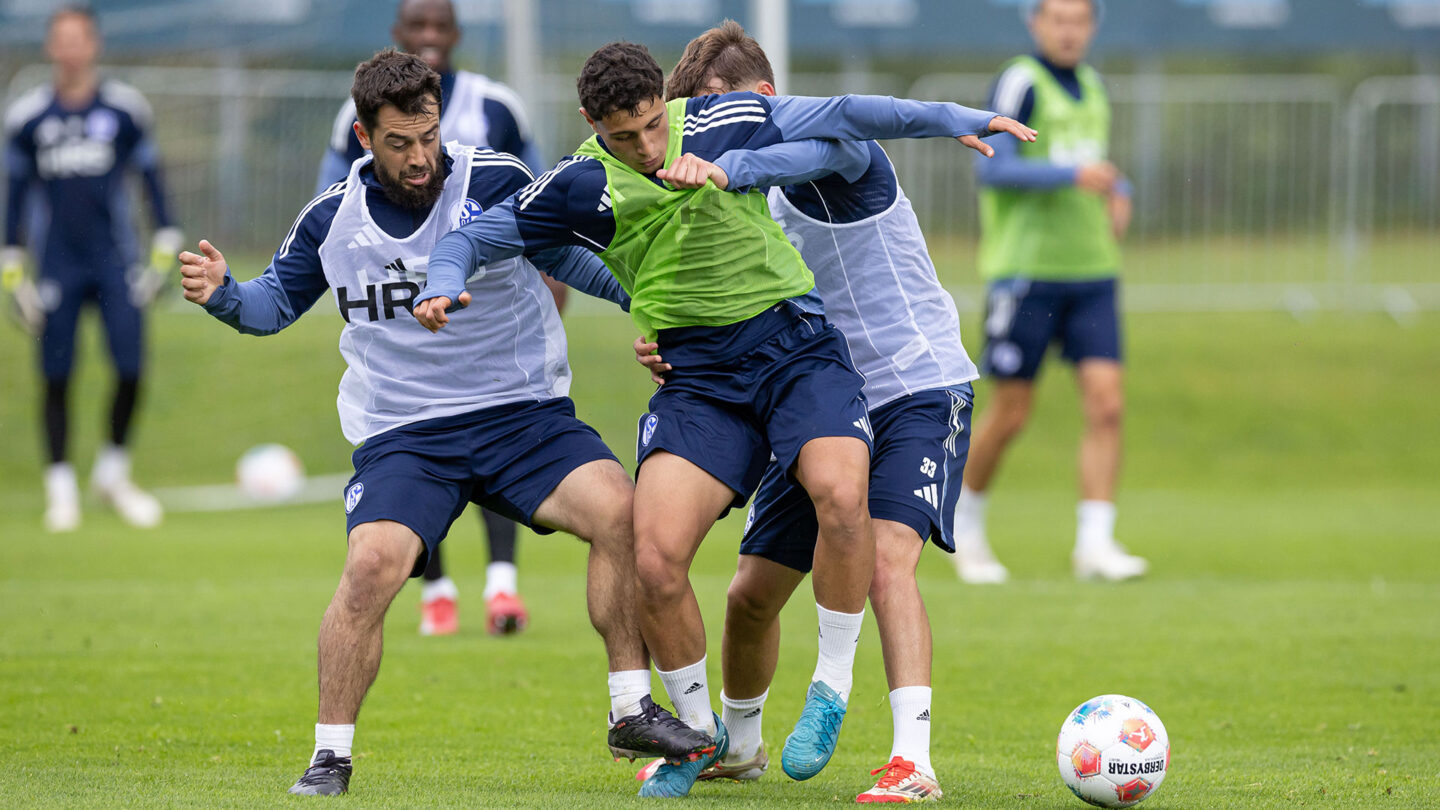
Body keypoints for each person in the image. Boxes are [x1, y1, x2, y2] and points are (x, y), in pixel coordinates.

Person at [411, 41, 1033, 798]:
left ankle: (893, 744)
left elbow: (839, 130)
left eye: (669, 122)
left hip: (904, 382)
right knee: (724, 584)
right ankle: (717, 744)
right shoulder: (625, 175)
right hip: (742, 387)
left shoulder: (796, 154)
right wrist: (639, 307)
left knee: (880, 549)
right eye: (632, 132)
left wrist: (950, 119)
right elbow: (549, 239)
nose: (656, 145)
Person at [179, 49, 709, 796]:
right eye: (399, 143)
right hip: (406, 434)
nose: (420, 156)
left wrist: (653, 311)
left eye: (427, 136)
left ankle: (630, 709)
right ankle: (330, 756)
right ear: (365, 138)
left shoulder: (493, 179)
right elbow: (271, 306)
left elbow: (574, 259)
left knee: (619, 510)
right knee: (369, 569)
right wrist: (223, 295)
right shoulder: (332, 219)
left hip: (522, 415)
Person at [629, 21, 990, 802]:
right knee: (749, 594)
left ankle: (912, 762)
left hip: (917, 386)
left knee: (886, 560)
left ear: (761, 97)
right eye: (692, 119)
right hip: (820, 397)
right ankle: (740, 745)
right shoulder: (734, 194)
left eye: (714, 112)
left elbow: (813, 150)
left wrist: (733, 167)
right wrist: (666, 341)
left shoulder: (837, 154)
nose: (702, 136)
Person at [316, 0, 553, 638]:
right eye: (415, 28)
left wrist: (556, 281)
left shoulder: (497, 106)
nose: (427, 37)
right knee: (420, 447)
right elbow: (332, 207)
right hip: (402, 318)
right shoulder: (354, 114)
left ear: (454, 35)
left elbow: (542, 202)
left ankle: (502, 586)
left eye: (437, 27)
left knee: (495, 428)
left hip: (489, 311)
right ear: (398, 35)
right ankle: (439, 589)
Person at [954, 0, 1147, 585]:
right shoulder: (1021, 81)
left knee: (1107, 405)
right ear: (1035, 22)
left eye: (1079, 19)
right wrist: (1073, 177)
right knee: (1011, 413)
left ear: (1092, 26)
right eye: (1057, 18)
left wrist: (1121, 187)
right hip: (1027, 275)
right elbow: (995, 167)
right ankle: (965, 525)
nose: (1068, 30)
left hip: (1092, 272)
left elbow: (1091, 164)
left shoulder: (1092, 85)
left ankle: (1095, 544)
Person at [2, 4, 181, 533]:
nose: (72, 48)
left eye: (80, 37)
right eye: (62, 38)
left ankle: (112, 474)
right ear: (50, 47)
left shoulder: (125, 111)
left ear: (95, 44)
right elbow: (13, 205)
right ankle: (60, 489)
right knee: (56, 375)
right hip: (57, 263)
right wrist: (15, 277)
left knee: (130, 368)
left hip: (115, 262)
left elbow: (154, 189)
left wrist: (161, 255)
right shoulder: (28, 116)